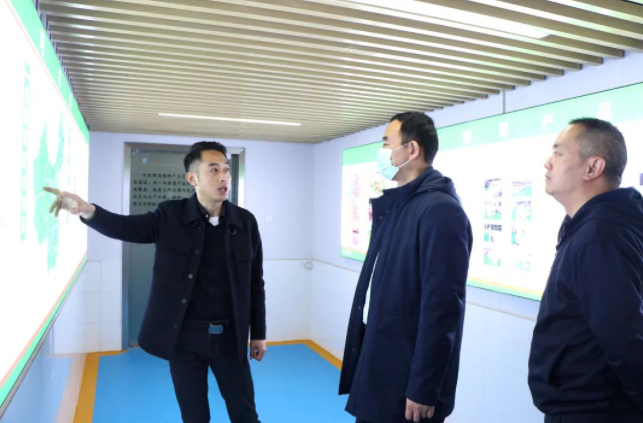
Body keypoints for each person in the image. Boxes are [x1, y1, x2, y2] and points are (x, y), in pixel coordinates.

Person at [46, 141, 266, 423]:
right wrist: (89, 211)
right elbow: (127, 226)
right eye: (213, 170)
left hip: (230, 338)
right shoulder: (170, 215)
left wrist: (258, 333)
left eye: (226, 170)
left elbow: (255, 282)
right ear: (192, 178)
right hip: (184, 339)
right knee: (194, 416)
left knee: (245, 414)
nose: (223, 177)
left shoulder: (245, 222)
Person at [339, 112, 473, 423]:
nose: (381, 152)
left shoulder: (441, 212)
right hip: (382, 366)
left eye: (387, 143)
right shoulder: (399, 206)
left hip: (407, 383)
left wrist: (424, 386)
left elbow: (442, 310)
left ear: (411, 149)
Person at [528, 118, 643, 423]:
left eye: (558, 153)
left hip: (594, 411)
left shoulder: (599, 237)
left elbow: (624, 338)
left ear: (593, 168)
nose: (547, 162)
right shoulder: (600, 225)